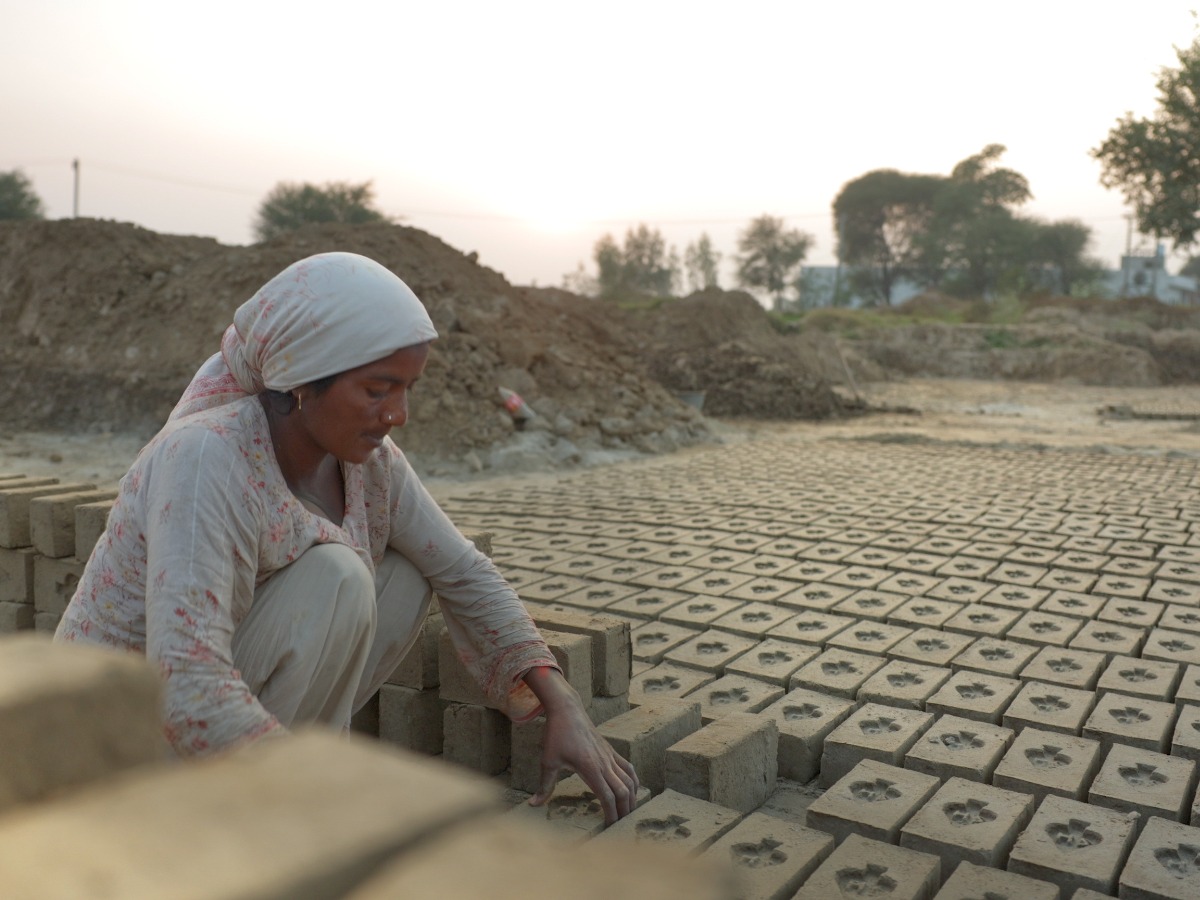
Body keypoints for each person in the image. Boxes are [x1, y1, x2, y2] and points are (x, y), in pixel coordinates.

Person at [54, 251, 638, 823]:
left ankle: (276, 786)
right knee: (335, 575)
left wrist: (564, 704)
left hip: (207, 714)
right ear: (302, 381)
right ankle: (250, 818)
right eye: (378, 389)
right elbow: (184, 680)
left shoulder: (367, 464)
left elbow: (463, 569)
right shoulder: (208, 456)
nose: (398, 414)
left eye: (408, 388)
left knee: (409, 575)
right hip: (114, 748)